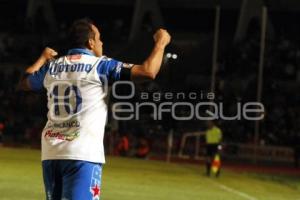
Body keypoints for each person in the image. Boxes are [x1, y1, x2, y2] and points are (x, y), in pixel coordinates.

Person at [20, 18, 171, 200]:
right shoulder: (99, 65)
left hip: (51, 153)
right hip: (82, 155)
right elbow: (148, 71)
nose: (101, 42)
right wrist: (161, 42)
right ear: (90, 42)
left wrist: (42, 58)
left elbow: (24, 83)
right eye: (99, 38)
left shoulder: (53, 66)